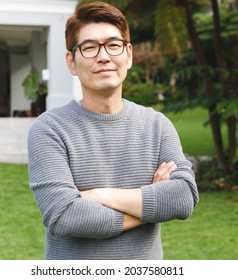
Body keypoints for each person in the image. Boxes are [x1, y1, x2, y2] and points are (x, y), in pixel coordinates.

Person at [27, 1, 199, 260]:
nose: (104, 56)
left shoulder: (157, 125)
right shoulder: (49, 129)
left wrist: (98, 195)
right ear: (71, 62)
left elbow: (183, 198)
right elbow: (65, 217)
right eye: (89, 48)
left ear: (128, 55)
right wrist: (150, 205)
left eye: (113, 45)